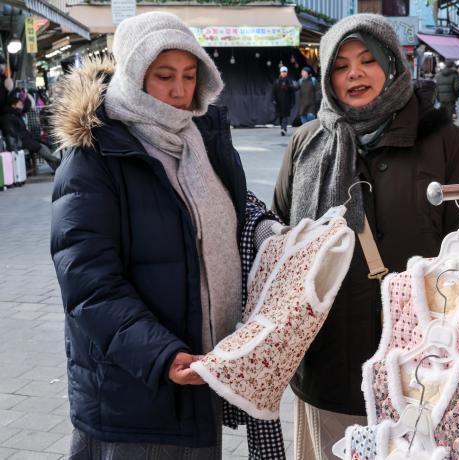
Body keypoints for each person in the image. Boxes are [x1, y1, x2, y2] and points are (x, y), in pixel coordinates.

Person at [49, 12, 286, 460]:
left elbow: (232, 208)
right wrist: (160, 355)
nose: (180, 92)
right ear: (135, 75)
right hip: (136, 389)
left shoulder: (202, 139)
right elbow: (87, 280)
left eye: (189, 75)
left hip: (201, 377)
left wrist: (267, 229)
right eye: (163, 76)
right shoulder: (95, 156)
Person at [272, 14, 459, 460]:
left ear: (393, 65)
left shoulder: (445, 143)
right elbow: (281, 243)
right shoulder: (306, 144)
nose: (354, 73)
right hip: (326, 366)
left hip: (420, 376)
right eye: (341, 64)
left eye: (368, 60)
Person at [0, 92, 60, 172]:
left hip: (26, 138)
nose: (21, 106)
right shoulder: (7, 117)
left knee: (44, 147)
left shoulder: (16, 113)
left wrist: (26, 95)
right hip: (20, 141)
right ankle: (57, 162)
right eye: (19, 104)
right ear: (13, 105)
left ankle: (57, 168)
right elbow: (11, 132)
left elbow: (26, 107)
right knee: (41, 148)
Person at [272, 66, 297, 135]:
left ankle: (283, 128)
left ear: (287, 73)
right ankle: (283, 128)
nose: (284, 73)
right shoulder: (277, 81)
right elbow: (273, 92)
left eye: (285, 72)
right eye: (282, 72)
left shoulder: (289, 81)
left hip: (287, 102)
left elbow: (292, 92)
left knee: (285, 116)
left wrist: (292, 102)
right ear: (280, 73)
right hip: (279, 102)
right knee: (280, 116)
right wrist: (273, 100)